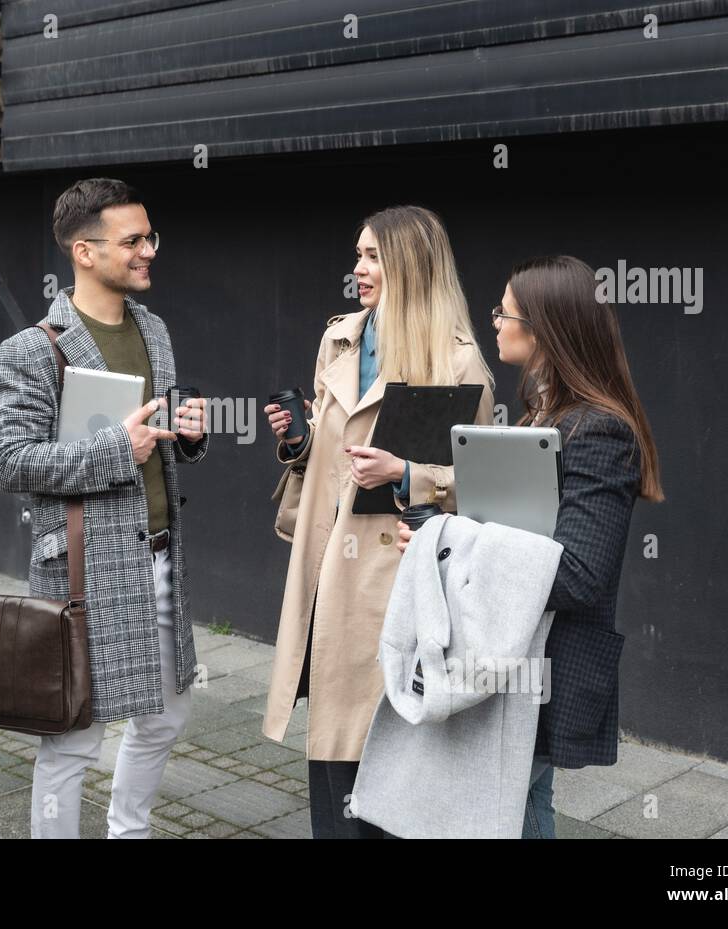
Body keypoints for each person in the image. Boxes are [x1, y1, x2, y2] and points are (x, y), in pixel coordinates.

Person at [397, 254, 664, 838]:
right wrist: (435, 534)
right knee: (512, 808)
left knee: (509, 814)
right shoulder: (540, 418)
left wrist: (455, 541)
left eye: (504, 312)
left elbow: (578, 574)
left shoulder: (598, 430)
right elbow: (506, 531)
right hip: (509, 657)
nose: (493, 321)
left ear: (543, 328)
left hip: (542, 666)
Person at [262, 205, 494, 838]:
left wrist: (407, 473)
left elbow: (481, 483)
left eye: (372, 257)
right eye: (357, 255)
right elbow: (332, 454)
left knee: (391, 749)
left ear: (410, 267)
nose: (358, 269)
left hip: (401, 575)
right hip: (330, 565)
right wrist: (298, 442)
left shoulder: (457, 360)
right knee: (335, 746)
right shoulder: (339, 337)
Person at [0, 178, 208, 839]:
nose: (148, 251)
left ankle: (128, 830)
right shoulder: (33, 348)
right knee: (74, 736)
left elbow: (156, 444)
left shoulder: (154, 329)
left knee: (167, 716)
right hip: (86, 568)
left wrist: (187, 438)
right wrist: (116, 446)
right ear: (84, 251)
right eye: (133, 240)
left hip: (164, 556)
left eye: (151, 237)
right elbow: (12, 462)